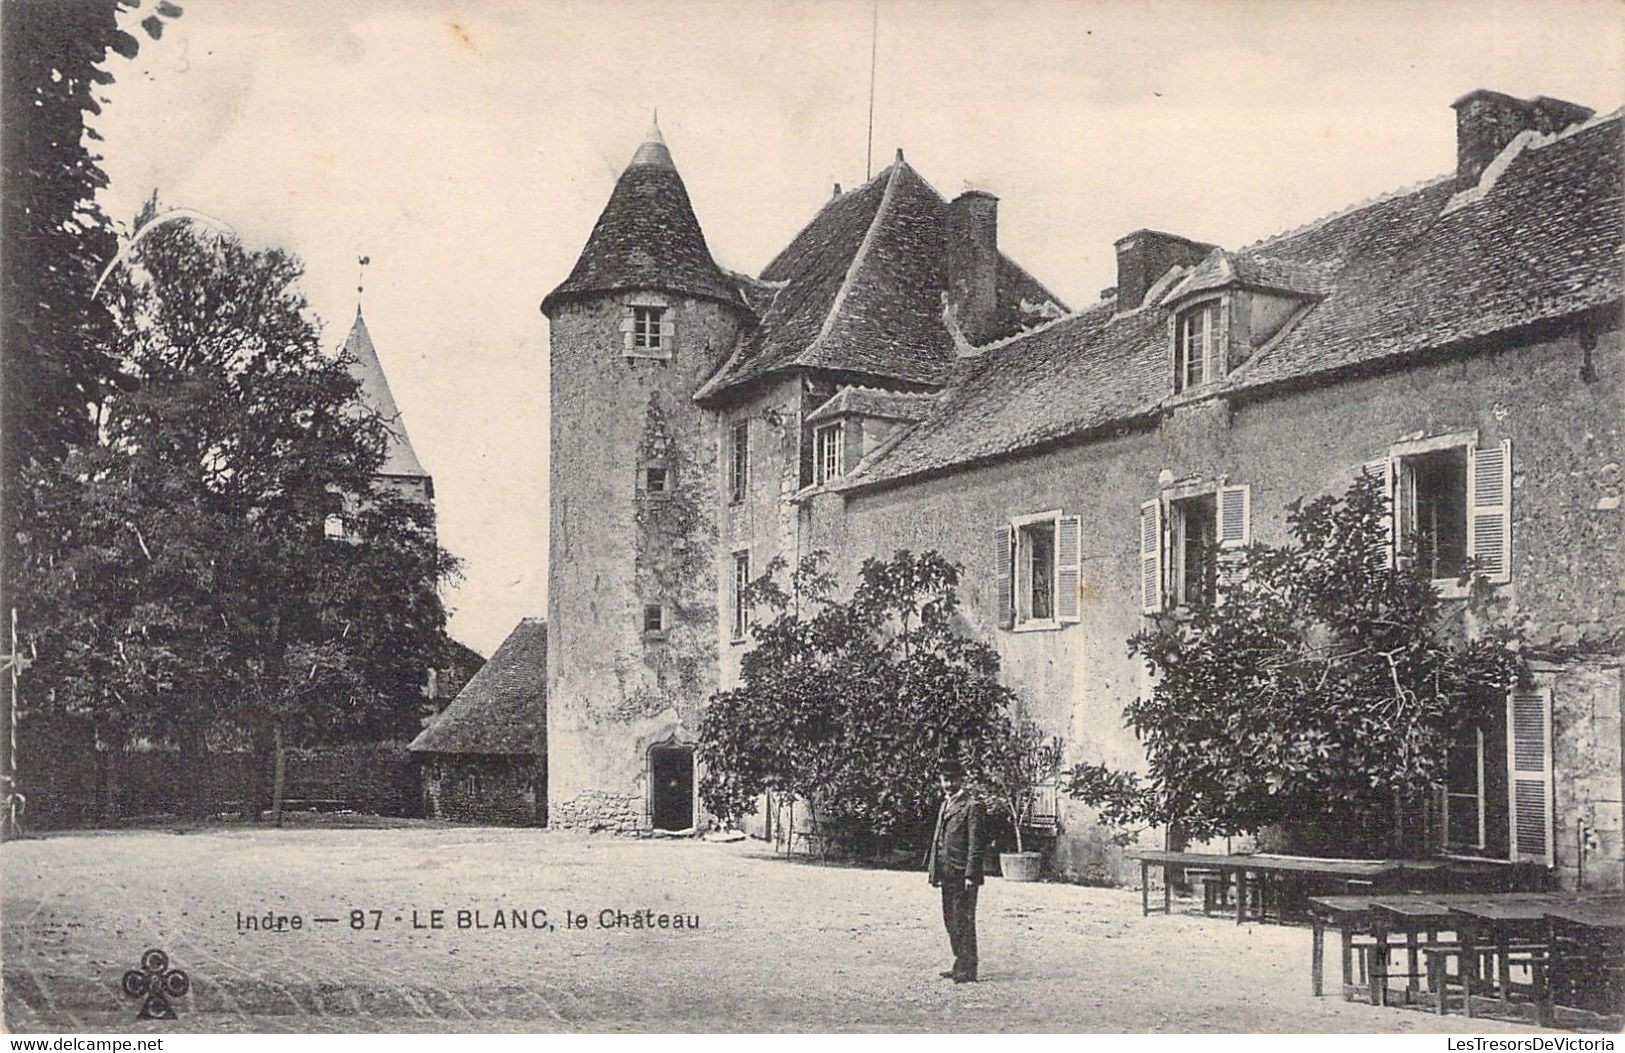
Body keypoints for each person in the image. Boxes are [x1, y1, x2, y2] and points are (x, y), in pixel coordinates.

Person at [925, 755, 985, 983]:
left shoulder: (972, 806)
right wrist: (934, 871)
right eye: (944, 780)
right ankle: (959, 961)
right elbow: (937, 840)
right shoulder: (945, 805)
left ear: (961, 780)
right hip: (946, 872)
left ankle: (969, 968)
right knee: (950, 919)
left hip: (963, 875)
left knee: (964, 920)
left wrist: (971, 874)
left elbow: (975, 844)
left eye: (952, 780)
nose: (948, 785)